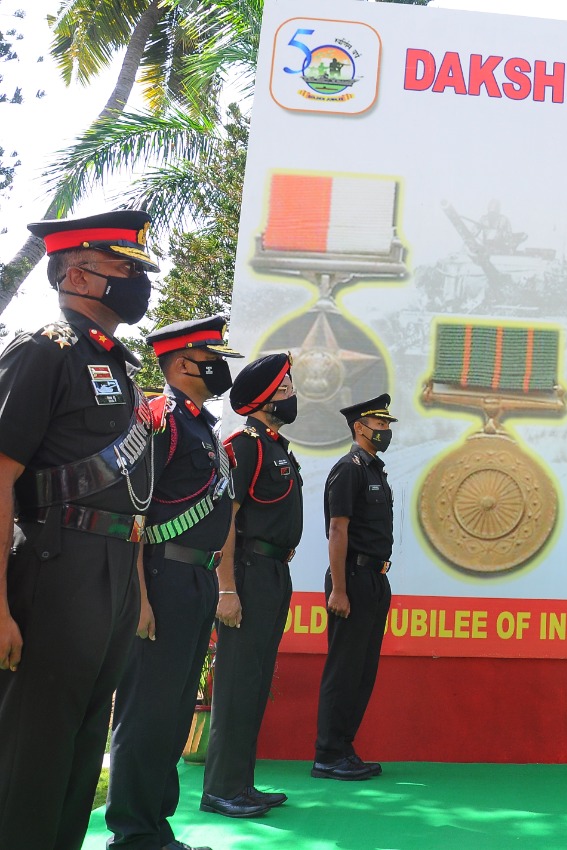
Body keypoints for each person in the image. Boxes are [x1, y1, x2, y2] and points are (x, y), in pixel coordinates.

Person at [0, 211, 157, 850]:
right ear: (78, 274)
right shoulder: (43, 351)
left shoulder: (118, 365)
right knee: (33, 743)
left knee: (85, 738)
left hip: (112, 566)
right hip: (54, 561)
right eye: (123, 268)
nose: (137, 282)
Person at [106, 317, 251, 850]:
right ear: (184, 362)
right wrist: (139, 596)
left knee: (172, 711)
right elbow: (133, 509)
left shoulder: (202, 426)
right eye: (212, 359)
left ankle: (156, 828)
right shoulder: (160, 419)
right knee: (147, 709)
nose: (220, 369)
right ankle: (133, 834)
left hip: (196, 578)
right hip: (161, 577)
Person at [201, 354, 303, 816]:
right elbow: (227, 519)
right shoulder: (244, 447)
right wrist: (226, 588)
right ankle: (221, 789)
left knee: (256, 682)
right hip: (246, 571)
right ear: (262, 399)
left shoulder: (276, 446)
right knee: (237, 682)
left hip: (273, 572)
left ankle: (241, 784)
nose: (291, 395)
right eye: (284, 389)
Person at [313, 393, 397, 781]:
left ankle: (344, 748)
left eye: (387, 425)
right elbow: (337, 529)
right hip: (352, 578)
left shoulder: (375, 471)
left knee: (363, 671)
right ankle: (328, 754)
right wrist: (339, 589)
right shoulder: (349, 469)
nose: (385, 431)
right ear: (359, 428)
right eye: (379, 424)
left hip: (375, 579)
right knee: (344, 669)